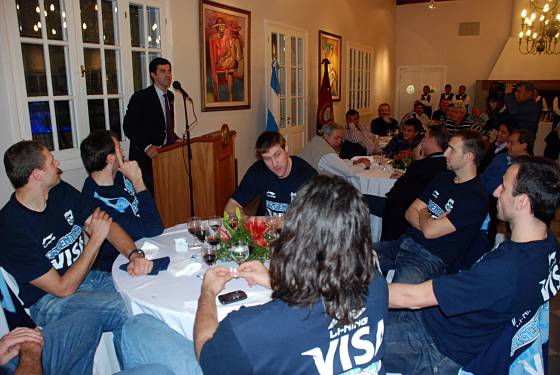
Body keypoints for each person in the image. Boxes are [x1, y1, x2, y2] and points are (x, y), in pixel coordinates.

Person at [195, 175, 387, 374]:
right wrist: (275, 281)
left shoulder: (250, 330)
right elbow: (323, 299)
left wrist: (207, 292)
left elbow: (206, 354)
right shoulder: (377, 286)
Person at [384, 156, 560, 374]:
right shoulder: (548, 245)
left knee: (341, 333)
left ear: (523, 201)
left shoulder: (507, 270)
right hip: (448, 327)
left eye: (504, 187)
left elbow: (414, 298)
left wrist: (351, 289)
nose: (496, 192)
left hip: (434, 347)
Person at [0, 140, 153, 361]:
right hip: (49, 301)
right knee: (125, 307)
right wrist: (94, 242)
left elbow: (106, 224)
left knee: (143, 289)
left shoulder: (60, 192)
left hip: (87, 279)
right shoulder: (11, 228)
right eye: (51, 162)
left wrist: (134, 254)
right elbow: (62, 289)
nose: (57, 164)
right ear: (37, 175)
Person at [374, 130, 488, 283]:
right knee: (348, 259)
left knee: (401, 301)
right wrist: (429, 221)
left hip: (429, 258)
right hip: (404, 243)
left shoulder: (475, 196)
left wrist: (424, 214)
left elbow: (429, 231)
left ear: (469, 156)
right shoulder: (444, 177)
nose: (445, 153)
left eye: (452, 150)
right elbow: (409, 213)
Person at [80, 130, 164, 272]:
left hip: (148, 246)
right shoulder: (95, 202)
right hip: (123, 265)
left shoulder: (120, 176)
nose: (123, 154)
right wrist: (137, 180)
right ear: (110, 158)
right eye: (119, 149)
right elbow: (154, 227)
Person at [378, 126, 449, 241]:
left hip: (405, 214)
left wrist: (416, 162)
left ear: (432, 140)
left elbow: (397, 190)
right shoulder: (446, 164)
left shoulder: (421, 165)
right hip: (429, 211)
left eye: (425, 137)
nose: (422, 140)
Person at [225, 131, 316, 217]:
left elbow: (318, 217)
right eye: (267, 159)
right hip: (266, 229)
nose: (275, 164)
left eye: (277, 155)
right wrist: (246, 220)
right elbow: (231, 206)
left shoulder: (307, 174)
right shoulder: (258, 170)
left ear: (286, 148)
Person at [123, 57, 179, 194]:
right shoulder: (141, 97)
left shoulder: (170, 96)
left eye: (169, 71)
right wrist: (147, 146)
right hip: (146, 160)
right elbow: (129, 126)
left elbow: (165, 125)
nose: (168, 75)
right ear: (153, 75)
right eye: (162, 71)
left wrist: (175, 138)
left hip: (165, 157)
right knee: (150, 198)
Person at [300, 123, 370, 177]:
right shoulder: (325, 152)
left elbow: (335, 162)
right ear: (326, 135)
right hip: (314, 189)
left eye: (341, 138)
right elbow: (349, 172)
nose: (339, 142)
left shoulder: (316, 140)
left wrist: (353, 162)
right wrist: (363, 164)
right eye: (336, 138)